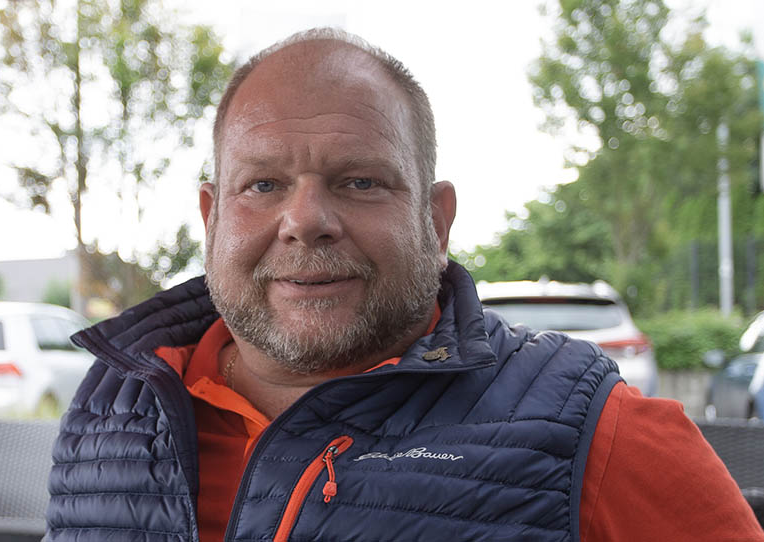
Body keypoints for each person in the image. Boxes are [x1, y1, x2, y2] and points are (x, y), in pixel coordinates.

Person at [45, 28, 763, 542]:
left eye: (359, 182)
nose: (305, 220)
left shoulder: (595, 430)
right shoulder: (116, 401)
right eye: (262, 184)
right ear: (211, 216)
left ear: (435, 218)